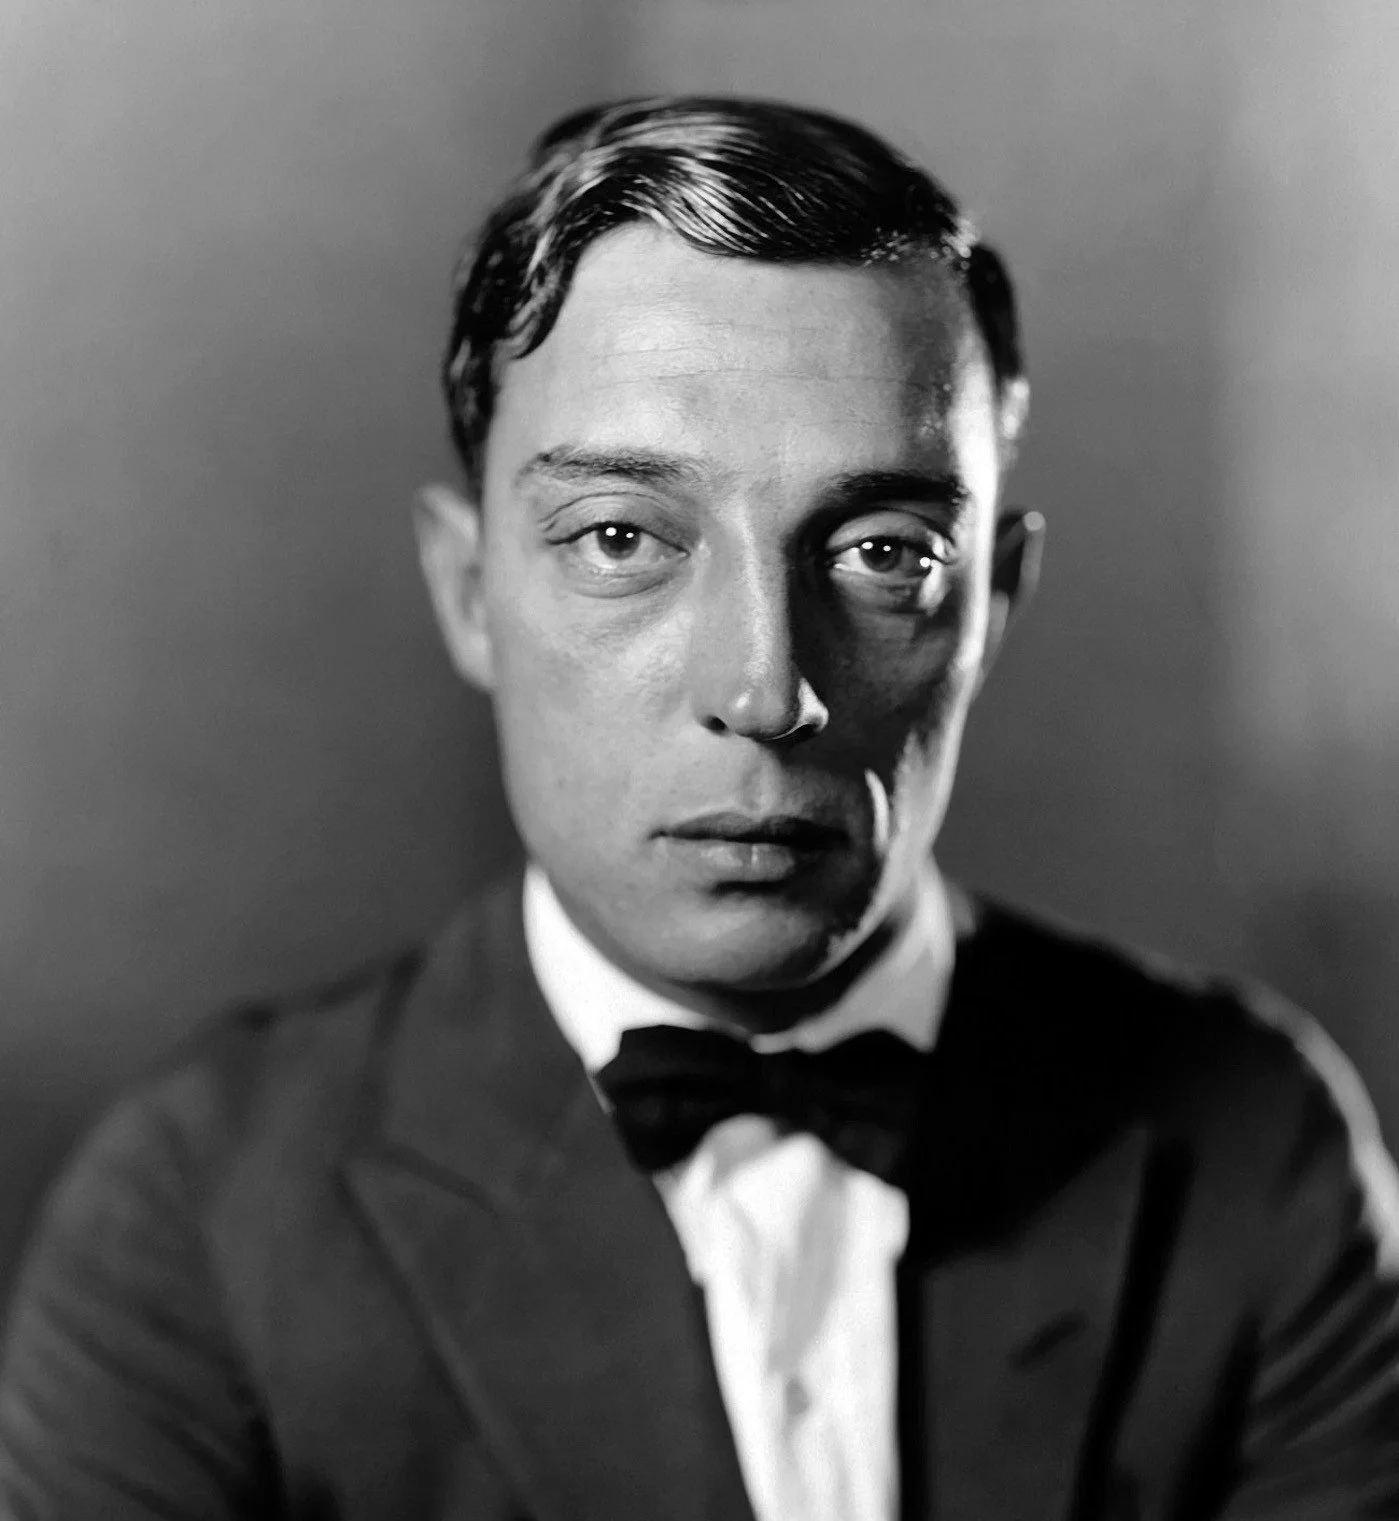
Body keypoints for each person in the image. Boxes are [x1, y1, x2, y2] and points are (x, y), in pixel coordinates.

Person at [2, 94, 1397, 1521]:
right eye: (620, 537)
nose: (765, 686)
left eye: (880, 551)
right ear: (470, 592)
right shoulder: (198, 1208)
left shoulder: (1252, 1141)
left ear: (997, 601)